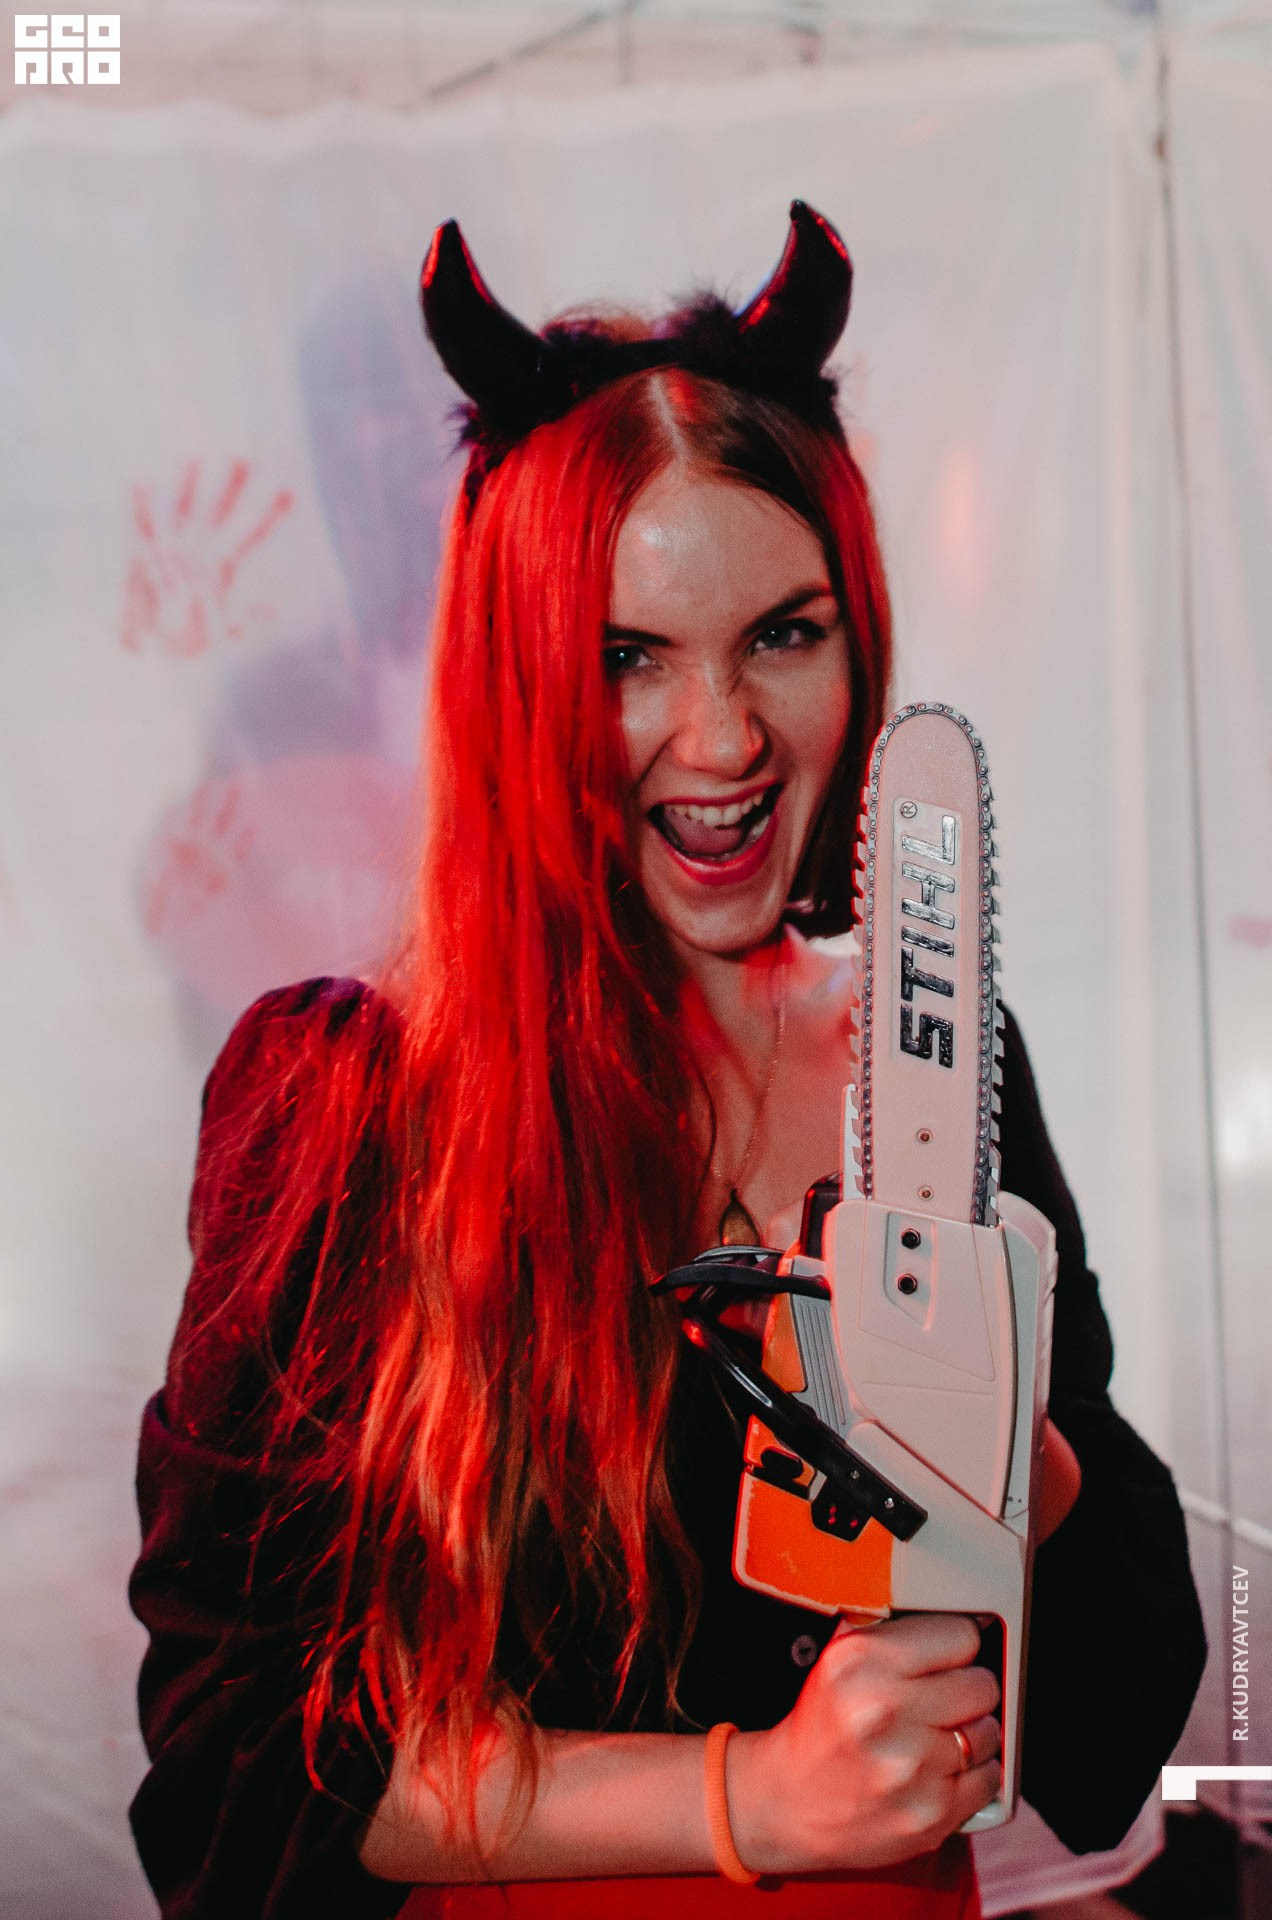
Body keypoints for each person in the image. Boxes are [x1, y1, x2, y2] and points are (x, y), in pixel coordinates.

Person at [128, 202, 1206, 1920]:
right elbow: (247, 1762)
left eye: (785, 632)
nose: (723, 737)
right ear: (519, 680)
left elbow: (1119, 1703)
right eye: (627, 656)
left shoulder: (938, 1066)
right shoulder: (347, 1107)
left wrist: (1005, 1440)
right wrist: (751, 1793)